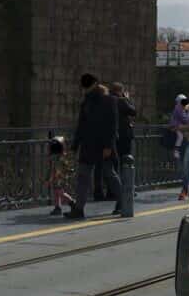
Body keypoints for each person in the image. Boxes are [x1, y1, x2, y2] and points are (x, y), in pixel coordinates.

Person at [66, 73, 123, 220]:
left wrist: (109, 146)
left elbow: (112, 125)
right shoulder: (86, 102)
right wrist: (75, 145)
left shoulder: (109, 101)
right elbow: (81, 125)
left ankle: (123, 201)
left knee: (109, 174)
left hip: (103, 145)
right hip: (88, 145)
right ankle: (79, 209)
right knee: (84, 176)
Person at [110, 82, 137, 214]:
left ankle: (114, 192)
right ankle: (125, 195)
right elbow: (133, 111)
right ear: (120, 91)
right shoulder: (121, 101)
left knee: (115, 166)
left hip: (113, 138)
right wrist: (127, 98)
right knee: (126, 164)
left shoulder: (109, 100)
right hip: (124, 137)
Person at [47, 134, 76, 215]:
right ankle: (57, 207)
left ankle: (72, 203)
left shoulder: (58, 158)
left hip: (59, 178)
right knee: (56, 192)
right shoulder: (58, 157)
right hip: (59, 177)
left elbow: (55, 169)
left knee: (60, 192)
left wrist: (50, 178)